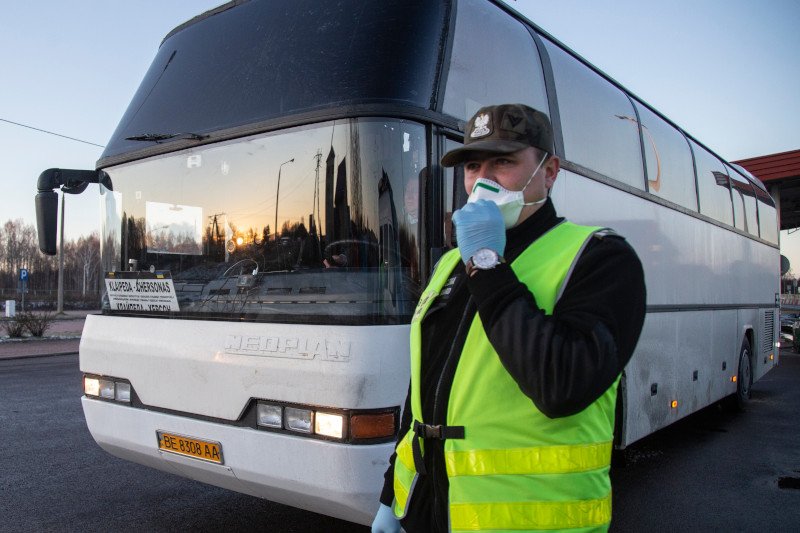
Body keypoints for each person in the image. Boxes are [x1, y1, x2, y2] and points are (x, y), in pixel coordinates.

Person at [371, 103, 646, 533]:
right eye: (472, 166)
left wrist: (487, 262)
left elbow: (561, 385)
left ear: (549, 172)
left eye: (503, 162)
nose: (483, 181)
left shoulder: (599, 258)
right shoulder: (450, 264)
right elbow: (424, 394)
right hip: (428, 516)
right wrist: (391, 496)